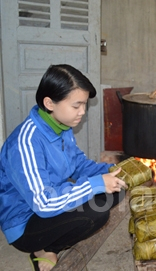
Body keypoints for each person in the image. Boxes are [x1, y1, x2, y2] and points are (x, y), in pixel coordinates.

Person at [0, 64, 128, 271]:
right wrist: (95, 184)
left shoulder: (62, 127)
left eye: (84, 105)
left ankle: (50, 244)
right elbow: (43, 203)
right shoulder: (27, 142)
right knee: (95, 214)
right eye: (76, 106)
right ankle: (44, 249)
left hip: (50, 203)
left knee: (118, 190)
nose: (83, 112)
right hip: (26, 222)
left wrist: (106, 171)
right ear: (49, 103)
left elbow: (77, 164)